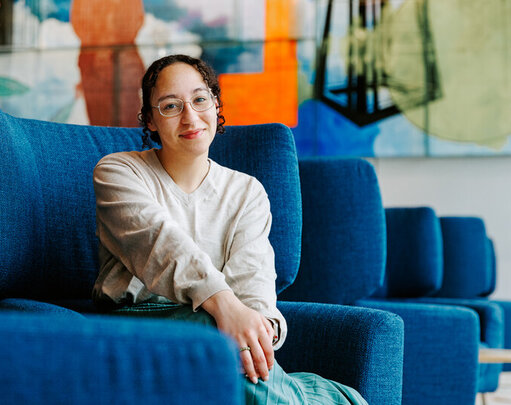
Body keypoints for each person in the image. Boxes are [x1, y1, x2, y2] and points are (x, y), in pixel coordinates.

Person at [92, 54, 367, 404]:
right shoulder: (117, 171)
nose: (190, 116)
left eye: (199, 99)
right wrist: (227, 310)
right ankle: (320, 396)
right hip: (133, 323)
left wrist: (257, 329)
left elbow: (254, 278)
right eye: (170, 106)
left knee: (237, 346)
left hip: (218, 323)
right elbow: (160, 246)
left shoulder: (247, 191)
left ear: (216, 104)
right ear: (149, 120)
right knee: (222, 340)